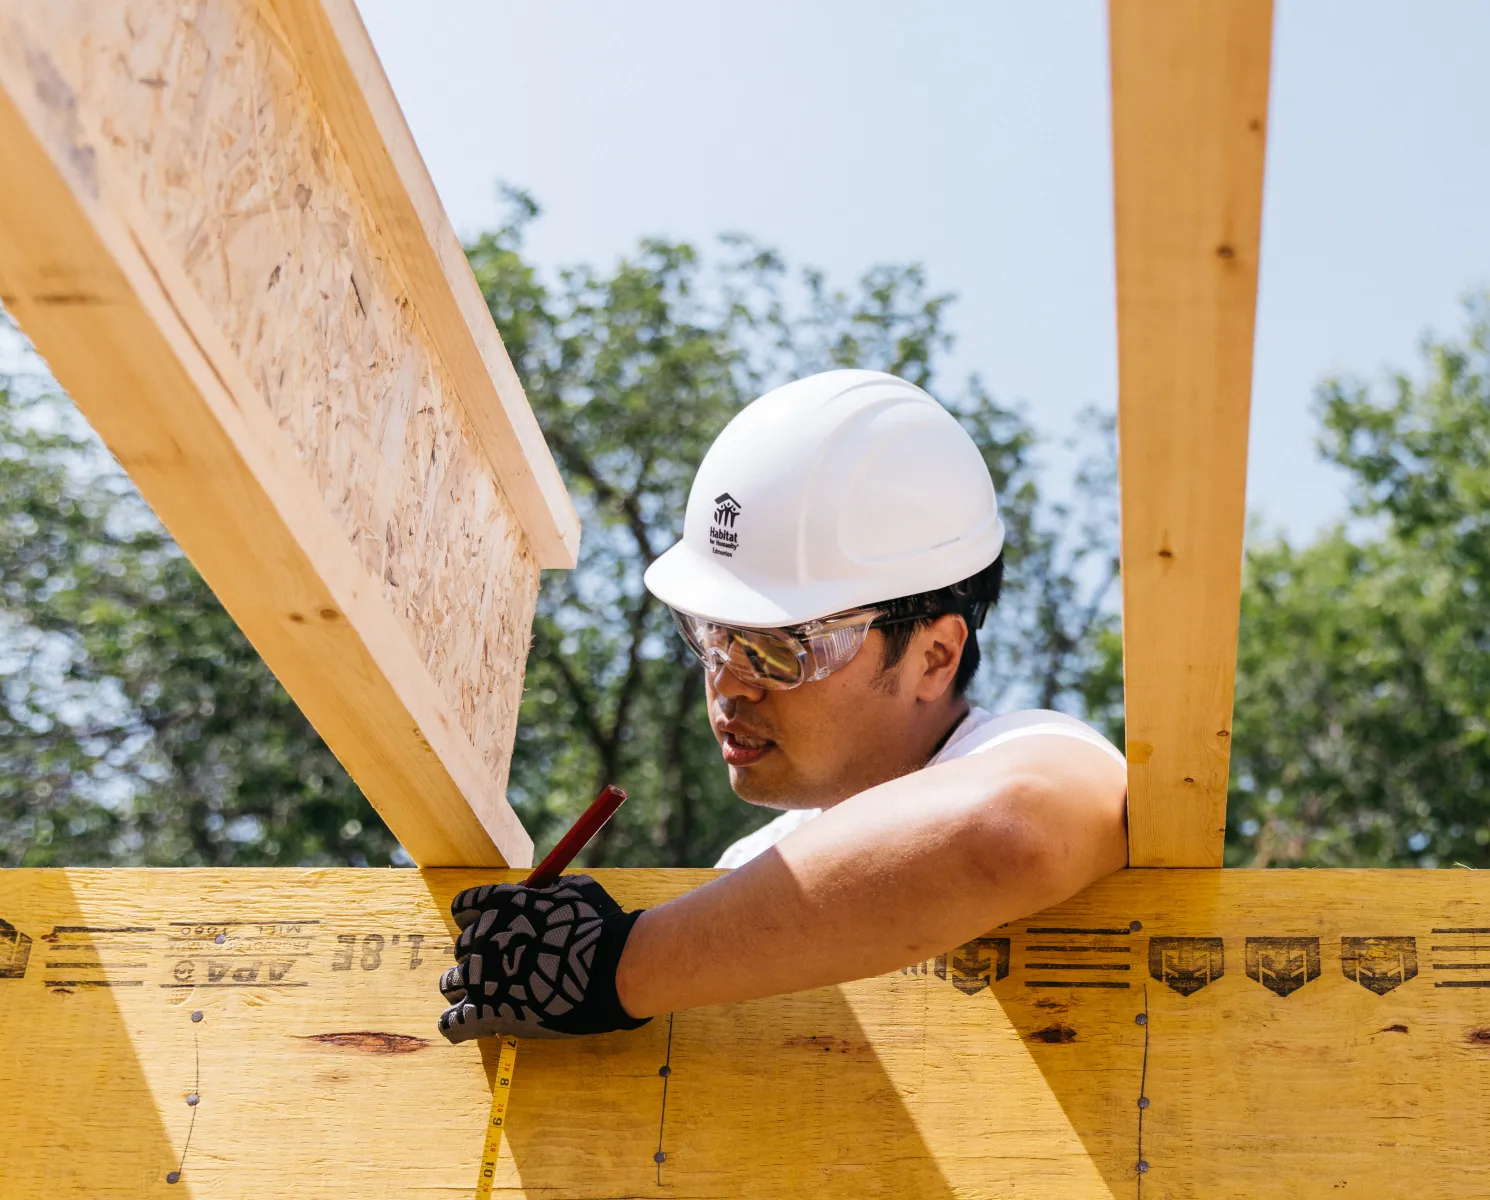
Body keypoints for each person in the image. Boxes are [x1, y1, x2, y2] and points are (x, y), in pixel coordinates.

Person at [436, 370, 1128, 1042]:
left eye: (781, 649)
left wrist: (618, 965)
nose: (729, 684)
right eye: (713, 637)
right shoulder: (746, 874)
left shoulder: (1023, 751)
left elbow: (1012, 831)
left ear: (934, 656)